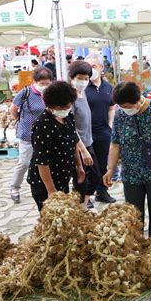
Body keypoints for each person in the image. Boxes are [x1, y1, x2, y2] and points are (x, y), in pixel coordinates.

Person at [103, 82, 151, 236]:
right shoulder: (120, 114)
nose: (125, 109)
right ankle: (136, 246)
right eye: (121, 106)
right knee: (133, 215)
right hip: (131, 173)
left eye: (127, 106)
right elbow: (115, 143)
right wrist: (110, 169)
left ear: (138, 100)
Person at [27, 81, 83, 211]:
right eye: (61, 108)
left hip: (63, 176)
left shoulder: (68, 117)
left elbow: (73, 141)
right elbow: (41, 161)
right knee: (52, 221)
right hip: (45, 182)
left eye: (68, 106)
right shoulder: (42, 125)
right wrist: (51, 190)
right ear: (51, 106)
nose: (65, 110)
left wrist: (79, 166)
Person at [9, 67, 53, 203]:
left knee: (47, 162)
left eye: (47, 83)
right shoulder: (25, 93)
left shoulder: (51, 93)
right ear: (34, 82)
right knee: (24, 162)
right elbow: (13, 109)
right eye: (42, 84)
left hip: (46, 134)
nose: (45, 86)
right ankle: (15, 187)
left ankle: (47, 187)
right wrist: (21, 120)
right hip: (27, 134)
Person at [85, 53, 116, 204]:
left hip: (104, 131)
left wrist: (110, 126)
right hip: (86, 133)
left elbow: (111, 107)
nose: (91, 70)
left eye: (93, 66)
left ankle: (102, 192)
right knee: (88, 165)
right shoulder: (82, 87)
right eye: (88, 67)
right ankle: (85, 195)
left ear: (101, 67)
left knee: (103, 163)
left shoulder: (108, 87)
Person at [68, 61, 100, 209]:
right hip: (78, 146)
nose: (83, 81)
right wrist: (83, 150)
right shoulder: (70, 98)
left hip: (88, 142)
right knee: (81, 179)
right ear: (73, 77)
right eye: (80, 78)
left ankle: (84, 206)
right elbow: (70, 127)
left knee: (94, 177)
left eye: (86, 78)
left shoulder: (83, 92)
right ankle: (80, 210)